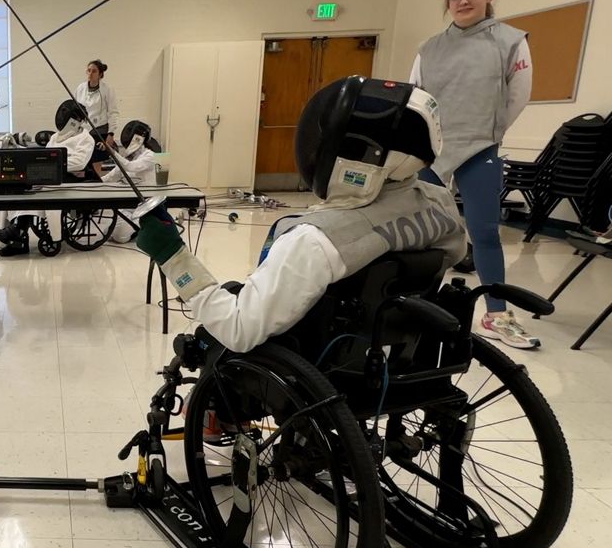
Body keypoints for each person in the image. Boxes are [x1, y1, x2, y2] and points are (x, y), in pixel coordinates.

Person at [136, 76, 466, 355]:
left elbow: (238, 330)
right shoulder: (439, 203)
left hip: (320, 362)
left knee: (212, 339)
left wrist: (172, 255)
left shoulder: (315, 241)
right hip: (387, 353)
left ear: (357, 158)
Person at [410, 0, 537, 349]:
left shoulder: (511, 42)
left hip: (480, 147)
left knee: (483, 233)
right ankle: (415, 305)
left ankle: (496, 313)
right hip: (432, 152)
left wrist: (487, 134)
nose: (463, 2)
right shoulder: (429, 48)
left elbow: (518, 96)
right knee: (419, 233)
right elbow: (415, 98)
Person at [0, 99, 96, 256]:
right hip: (49, 177)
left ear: (76, 121)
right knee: (16, 186)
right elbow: (44, 157)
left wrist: (54, 164)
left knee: (38, 193)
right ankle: (18, 238)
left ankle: (18, 230)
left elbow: (79, 163)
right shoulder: (55, 138)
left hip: (69, 182)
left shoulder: (86, 139)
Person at [100, 120, 158, 243]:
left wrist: (112, 151)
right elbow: (112, 175)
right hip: (128, 205)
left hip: (145, 207)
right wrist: (94, 182)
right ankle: (134, 225)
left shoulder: (149, 156)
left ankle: (146, 224)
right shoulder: (129, 157)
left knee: (120, 237)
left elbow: (130, 167)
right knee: (107, 232)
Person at [74, 59, 120, 163]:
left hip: (100, 132)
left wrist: (111, 134)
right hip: (83, 133)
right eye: (89, 70)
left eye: (94, 71)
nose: (90, 73)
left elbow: (113, 113)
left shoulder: (107, 90)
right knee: (82, 163)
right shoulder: (80, 88)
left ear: (100, 74)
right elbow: (75, 111)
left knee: (96, 163)